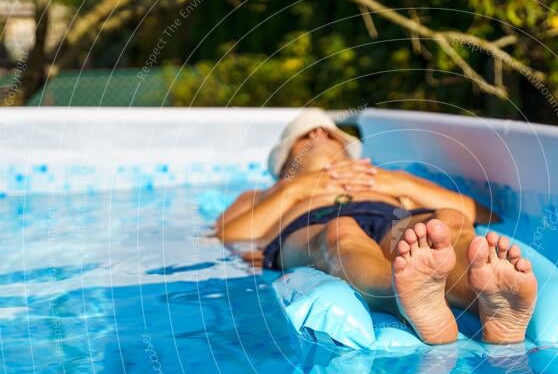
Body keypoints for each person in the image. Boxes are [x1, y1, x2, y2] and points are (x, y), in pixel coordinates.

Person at [216, 108, 536, 345]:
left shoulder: (382, 180)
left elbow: (482, 213)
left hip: (389, 218)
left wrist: (400, 182)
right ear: (285, 165)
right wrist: (297, 189)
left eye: (328, 133)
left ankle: (486, 299)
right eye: (306, 136)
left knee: (449, 222)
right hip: (312, 227)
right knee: (341, 232)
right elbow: (228, 235)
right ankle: (404, 294)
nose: (319, 135)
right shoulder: (269, 194)